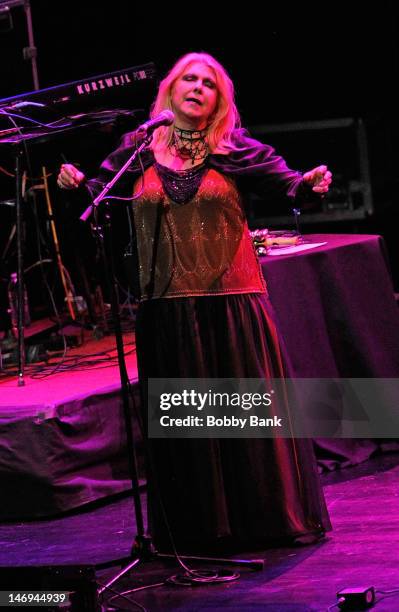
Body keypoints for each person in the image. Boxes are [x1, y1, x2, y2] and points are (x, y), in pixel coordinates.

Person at [57, 52, 332, 553]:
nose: (198, 87)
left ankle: (262, 518)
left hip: (233, 303)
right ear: (170, 90)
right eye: (190, 78)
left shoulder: (236, 150)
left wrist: (308, 184)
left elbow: (288, 184)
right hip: (167, 307)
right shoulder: (136, 150)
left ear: (218, 101)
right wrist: (79, 186)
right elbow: (101, 195)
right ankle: (201, 527)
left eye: (210, 83)